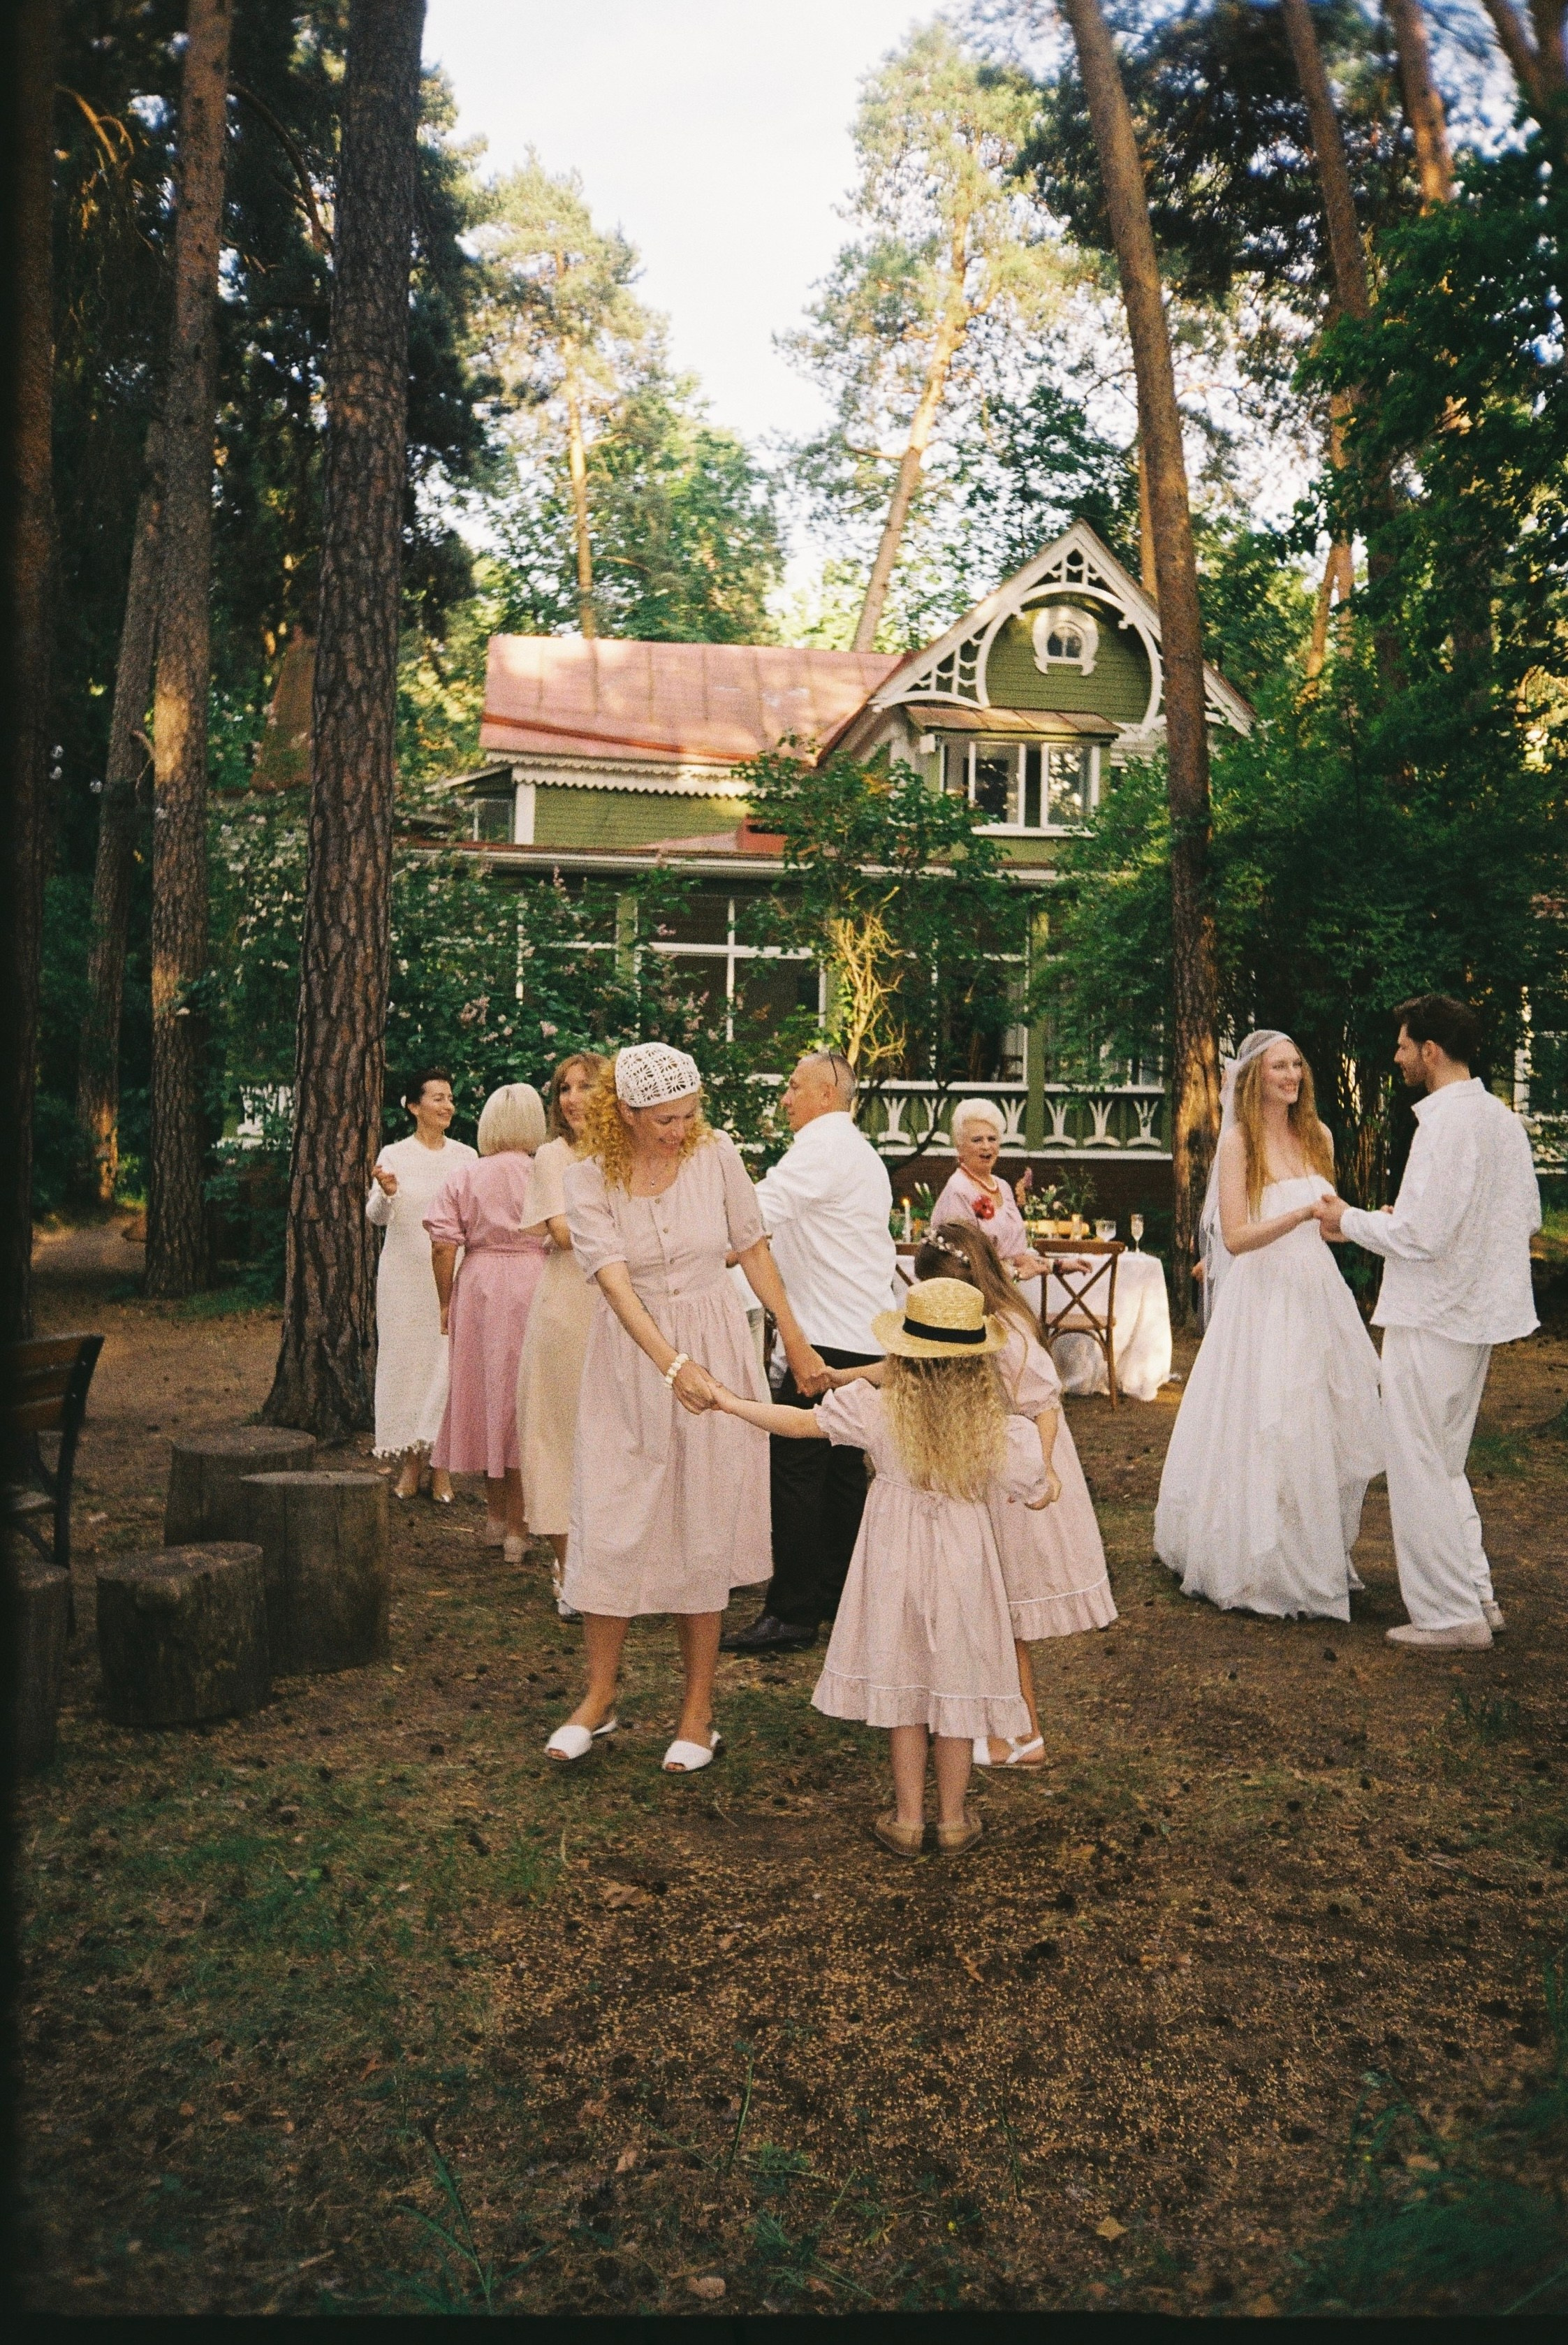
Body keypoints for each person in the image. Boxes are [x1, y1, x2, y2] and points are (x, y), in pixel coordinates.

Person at [545, 1044, 827, 1774]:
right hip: (632, 1362)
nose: (680, 1130)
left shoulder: (718, 1156)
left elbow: (753, 1247)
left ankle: (698, 1715)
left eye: (690, 1115)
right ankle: (600, 1697)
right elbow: (612, 1284)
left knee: (700, 1525)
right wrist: (671, 1366)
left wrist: (794, 1341)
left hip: (716, 1343)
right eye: (665, 1119)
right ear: (626, 1113)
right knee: (609, 1520)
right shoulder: (586, 1179)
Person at [712, 1279, 1048, 1856]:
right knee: (955, 1681)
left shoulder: (879, 1409)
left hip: (894, 1561)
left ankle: (907, 1816)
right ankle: (955, 1817)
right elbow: (1033, 1483)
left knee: (906, 1684)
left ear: (905, 1356)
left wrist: (727, 1400)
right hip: (964, 1565)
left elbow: (800, 1423)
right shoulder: (992, 1429)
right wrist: (1045, 1483)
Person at [1316, 995, 1541, 1650]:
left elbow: (1421, 1232)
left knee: (1417, 1462)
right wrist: (1416, 1228)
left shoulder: (1445, 1126)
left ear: (1431, 1052)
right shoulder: (1501, 1120)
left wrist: (1348, 1220)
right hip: (1474, 1317)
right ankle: (1475, 1595)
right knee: (1442, 1463)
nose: (1396, 1055)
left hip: (1433, 1313)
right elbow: (1519, 1219)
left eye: (1403, 1044)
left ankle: (1448, 1616)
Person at [1154, 1031, 1383, 1620]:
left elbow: (1327, 1226)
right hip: (1262, 1296)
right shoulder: (1238, 1143)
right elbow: (1234, 1237)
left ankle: (1310, 1550)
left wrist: (1359, 1222)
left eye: (1297, 1065)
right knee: (1264, 1421)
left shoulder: (1318, 1136)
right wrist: (1300, 1213)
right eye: (1279, 1067)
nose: (1292, 1076)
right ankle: (1254, 1555)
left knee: (1314, 1418)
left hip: (1315, 1291)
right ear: (1255, 1078)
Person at [912, 1224, 1117, 1765]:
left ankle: (1020, 1735)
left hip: (1013, 1483)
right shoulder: (964, 1324)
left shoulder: (1007, 1332)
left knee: (1000, 1614)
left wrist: (1042, 1472)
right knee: (983, 1610)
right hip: (985, 1469)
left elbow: (1045, 1407)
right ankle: (990, 1721)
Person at [720, 1049, 896, 1656]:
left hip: (823, 1339)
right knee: (841, 1475)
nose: (785, 1098)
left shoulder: (821, 1149)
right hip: (864, 1332)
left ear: (825, 1093)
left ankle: (792, 1612)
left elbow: (747, 1222)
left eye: (794, 1086)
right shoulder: (859, 1152)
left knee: (798, 1472)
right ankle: (839, 1594)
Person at [425, 1083, 549, 1565]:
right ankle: (520, 1526)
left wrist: (444, 1301)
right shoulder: (545, 1173)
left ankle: (496, 1518)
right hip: (533, 1281)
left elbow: (442, 1244)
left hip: (479, 1285)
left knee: (486, 1396)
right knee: (522, 1400)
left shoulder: (465, 1175)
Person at [516, 1051, 607, 1619]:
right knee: (556, 1433)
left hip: (621, 1309)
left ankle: (607, 1566)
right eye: (563, 1089)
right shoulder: (552, 1156)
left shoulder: (627, 1155)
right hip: (566, 1310)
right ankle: (567, 1566)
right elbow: (564, 1233)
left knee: (612, 1439)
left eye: (585, 1086)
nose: (572, 1098)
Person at [366, 1067, 476, 1502]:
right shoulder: (394, 1154)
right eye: (437, 1098)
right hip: (403, 1278)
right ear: (414, 1107)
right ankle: (411, 1466)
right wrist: (387, 1193)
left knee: (445, 1369)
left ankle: (442, 1469)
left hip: (450, 1278)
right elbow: (375, 1217)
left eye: (450, 1098)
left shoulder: (467, 1157)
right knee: (409, 1367)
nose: (447, 1105)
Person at [930, 1100, 1040, 1276]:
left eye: (992, 1139)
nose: (986, 1146)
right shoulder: (959, 1189)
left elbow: (1014, 1254)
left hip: (1003, 1290)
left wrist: (1058, 1265)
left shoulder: (1003, 1187)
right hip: (971, 1295)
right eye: (977, 1140)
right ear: (960, 1147)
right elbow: (962, 1262)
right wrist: (1015, 1274)